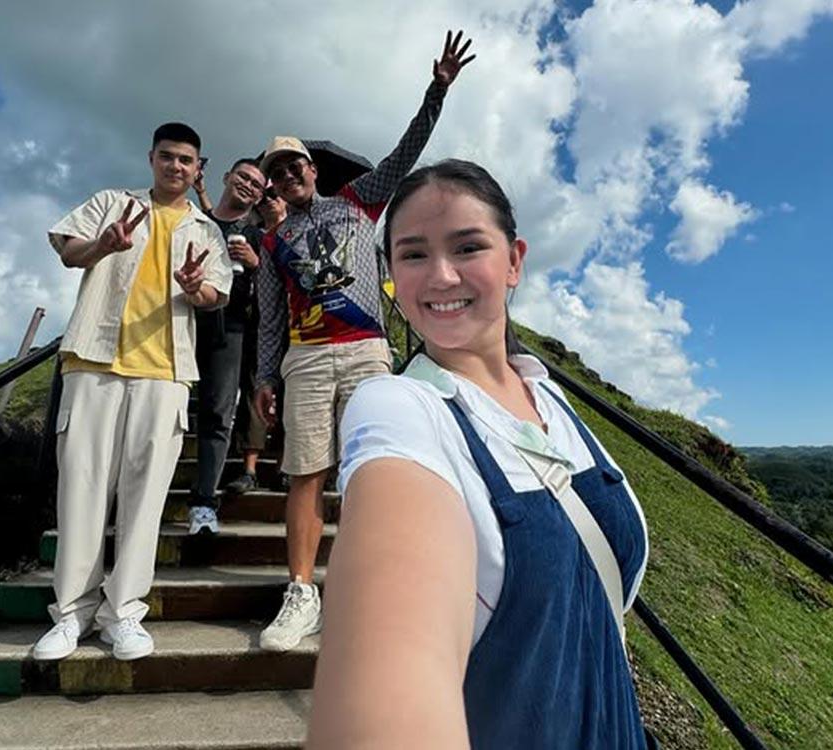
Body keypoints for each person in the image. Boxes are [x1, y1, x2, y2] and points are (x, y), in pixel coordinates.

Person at [308, 160, 652, 748]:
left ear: (514, 260)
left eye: (467, 247)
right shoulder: (397, 407)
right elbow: (391, 666)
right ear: (389, 273)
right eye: (413, 255)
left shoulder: (548, 392)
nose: (440, 276)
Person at [253, 30, 476, 653]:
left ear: (312, 171)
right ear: (273, 184)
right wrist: (263, 377)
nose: (289, 174)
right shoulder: (274, 242)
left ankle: (370, 586)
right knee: (304, 473)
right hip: (304, 358)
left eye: (296, 164)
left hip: (364, 349)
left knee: (371, 471)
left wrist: (436, 91)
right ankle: (301, 592)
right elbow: (270, 315)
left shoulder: (358, 201)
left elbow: (406, 154)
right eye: (278, 170)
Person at [33, 122, 232, 661]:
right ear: (151, 158)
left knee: (146, 497)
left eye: (186, 160)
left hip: (166, 371)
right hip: (93, 359)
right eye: (167, 157)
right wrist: (105, 244)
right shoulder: (111, 203)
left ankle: (123, 612)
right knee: (82, 488)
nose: (176, 167)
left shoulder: (206, 230)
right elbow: (69, 252)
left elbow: (216, 295)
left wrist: (196, 287)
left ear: (198, 169)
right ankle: (71, 614)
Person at [187, 158, 266, 534]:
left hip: (232, 325)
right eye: (244, 177)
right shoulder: (197, 221)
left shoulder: (259, 234)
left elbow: (275, 287)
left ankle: (203, 501)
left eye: (257, 184)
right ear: (227, 177)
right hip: (183, 317)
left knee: (218, 413)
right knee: (165, 407)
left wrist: (257, 264)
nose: (249, 185)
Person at [224, 187, 291, 495]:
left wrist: (259, 264)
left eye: (274, 197)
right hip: (258, 322)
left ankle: (283, 467)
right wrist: (253, 264)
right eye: (263, 199)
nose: (269, 202)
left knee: (292, 396)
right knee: (254, 390)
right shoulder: (251, 235)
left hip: (299, 324)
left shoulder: (301, 231)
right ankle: (249, 469)